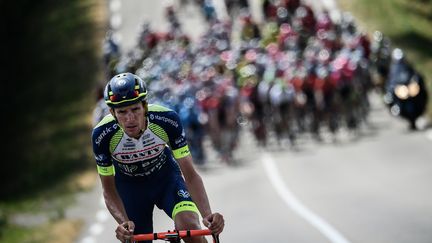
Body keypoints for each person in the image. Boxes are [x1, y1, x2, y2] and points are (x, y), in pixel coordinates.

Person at [91, 72, 224, 243]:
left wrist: (207, 215)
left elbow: (190, 174)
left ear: (145, 106)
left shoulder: (166, 120)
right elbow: (108, 189)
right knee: (136, 239)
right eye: (122, 112)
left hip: (166, 179)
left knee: (189, 226)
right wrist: (123, 223)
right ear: (112, 112)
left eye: (135, 109)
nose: (130, 118)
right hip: (131, 188)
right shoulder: (102, 134)